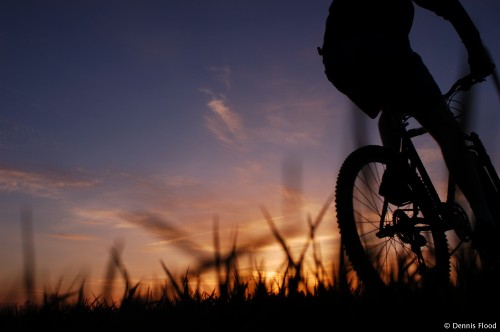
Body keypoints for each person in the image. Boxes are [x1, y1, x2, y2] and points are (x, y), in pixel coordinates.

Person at [319, 0, 497, 254]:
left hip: (338, 62)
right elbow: (450, 7)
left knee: (391, 107)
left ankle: (395, 170)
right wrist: (476, 49)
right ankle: (486, 220)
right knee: (446, 128)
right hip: (383, 50)